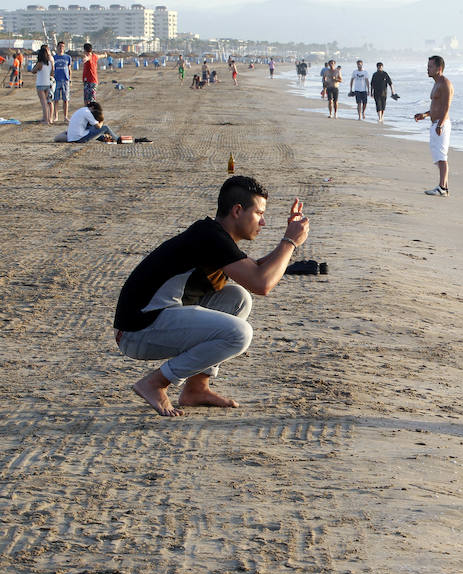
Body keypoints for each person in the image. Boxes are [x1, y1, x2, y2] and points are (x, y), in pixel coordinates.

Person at [113, 176, 310, 417]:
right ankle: (156, 383)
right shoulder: (211, 238)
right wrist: (290, 242)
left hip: (151, 321)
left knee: (237, 298)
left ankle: (196, 388)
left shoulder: (214, 235)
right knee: (239, 333)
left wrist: (288, 242)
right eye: (259, 213)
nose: (263, 222)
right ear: (237, 210)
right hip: (137, 330)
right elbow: (262, 283)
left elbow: (255, 268)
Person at [414, 55, 454, 197]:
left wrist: (441, 124)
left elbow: (446, 106)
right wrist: (424, 115)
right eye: (428, 66)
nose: (427, 69)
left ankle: (442, 187)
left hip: (441, 124)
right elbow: (436, 107)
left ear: (439, 68)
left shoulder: (445, 83)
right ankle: (445, 187)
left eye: (430, 66)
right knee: (437, 156)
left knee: (442, 157)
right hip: (435, 123)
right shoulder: (436, 83)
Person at [31, 45, 54, 125]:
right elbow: (52, 73)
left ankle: (46, 119)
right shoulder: (50, 63)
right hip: (47, 84)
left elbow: (33, 71)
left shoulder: (40, 63)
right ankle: (47, 118)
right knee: (47, 102)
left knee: (43, 103)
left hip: (40, 84)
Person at [53, 41, 72, 123]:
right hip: (56, 80)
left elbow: (69, 69)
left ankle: (65, 116)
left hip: (65, 80)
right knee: (56, 99)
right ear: (57, 47)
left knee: (66, 99)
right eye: (60, 46)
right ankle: (56, 116)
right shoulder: (54, 58)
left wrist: (70, 79)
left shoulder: (68, 57)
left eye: (63, 46)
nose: (61, 48)